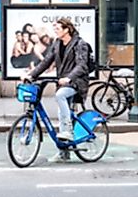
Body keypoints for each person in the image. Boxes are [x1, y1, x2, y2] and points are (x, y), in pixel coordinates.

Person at [21, 18, 91, 159]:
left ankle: (69, 131)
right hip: (63, 82)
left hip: (77, 82)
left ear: (67, 29)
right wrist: (31, 75)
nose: (56, 31)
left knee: (60, 96)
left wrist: (69, 78)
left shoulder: (79, 44)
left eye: (58, 28)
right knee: (61, 113)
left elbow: (82, 65)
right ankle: (64, 153)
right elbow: (46, 62)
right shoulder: (57, 43)